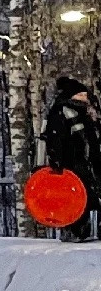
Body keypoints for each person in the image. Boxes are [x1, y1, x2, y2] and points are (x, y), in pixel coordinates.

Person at [41, 77, 97, 242]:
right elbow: (55, 139)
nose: (85, 98)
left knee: (86, 196)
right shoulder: (62, 112)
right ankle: (75, 230)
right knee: (75, 198)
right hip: (71, 163)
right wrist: (57, 160)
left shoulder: (84, 114)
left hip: (86, 163)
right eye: (80, 95)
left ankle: (83, 230)